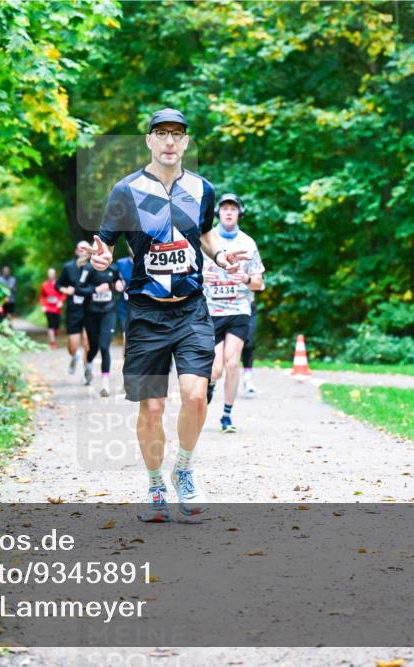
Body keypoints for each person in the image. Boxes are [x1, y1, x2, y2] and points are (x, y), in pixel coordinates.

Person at [89, 108, 250, 522]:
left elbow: (204, 233)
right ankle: (156, 485)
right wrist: (102, 259)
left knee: (197, 395)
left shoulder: (203, 189)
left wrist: (221, 255)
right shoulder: (125, 191)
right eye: (161, 133)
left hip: (192, 308)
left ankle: (185, 470)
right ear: (149, 140)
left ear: (186, 142)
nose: (169, 142)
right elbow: (104, 244)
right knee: (153, 408)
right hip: (144, 313)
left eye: (177, 135)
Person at [202, 193, 265, 433]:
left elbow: (259, 282)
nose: (229, 212)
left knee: (232, 362)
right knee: (215, 368)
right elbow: (186, 273)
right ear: (218, 213)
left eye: (233, 208)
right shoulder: (207, 240)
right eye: (224, 208)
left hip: (239, 309)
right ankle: (209, 386)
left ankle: (226, 415)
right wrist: (199, 276)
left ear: (239, 213)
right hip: (211, 311)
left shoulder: (248, 243)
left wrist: (247, 278)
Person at [82, 264, 124, 396]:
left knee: (104, 346)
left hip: (108, 312)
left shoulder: (113, 268)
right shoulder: (88, 269)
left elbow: (119, 281)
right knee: (93, 347)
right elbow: (78, 289)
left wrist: (118, 284)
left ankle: (105, 385)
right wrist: (96, 289)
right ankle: (88, 365)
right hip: (91, 313)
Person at [56, 241, 93, 374]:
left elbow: (97, 285)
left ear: (89, 251)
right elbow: (58, 285)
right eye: (80, 248)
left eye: (85, 248)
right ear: (76, 251)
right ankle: (74, 356)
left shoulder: (92, 267)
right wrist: (65, 290)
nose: (82, 250)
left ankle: (87, 368)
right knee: (73, 344)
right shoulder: (68, 267)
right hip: (74, 309)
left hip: (90, 308)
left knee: (88, 341)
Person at [39, 268, 63, 349]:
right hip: (48, 308)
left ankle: (56, 331)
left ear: (55, 274)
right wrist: (43, 306)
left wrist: (61, 301)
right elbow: (42, 296)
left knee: (56, 325)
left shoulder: (59, 283)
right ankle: (53, 343)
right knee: (50, 325)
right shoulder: (44, 284)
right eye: (49, 273)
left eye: (52, 273)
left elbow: (63, 293)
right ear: (47, 274)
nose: (51, 275)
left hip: (57, 308)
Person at [240, 294, 259, 395]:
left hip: (247, 308)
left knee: (248, 343)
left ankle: (248, 378)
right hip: (220, 311)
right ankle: (212, 380)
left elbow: (260, 285)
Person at [114, 255, 133, 339]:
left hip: (143, 306)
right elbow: (113, 277)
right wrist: (116, 282)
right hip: (124, 307)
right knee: (126, 336)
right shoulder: (120, 263)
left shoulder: (147, 261)